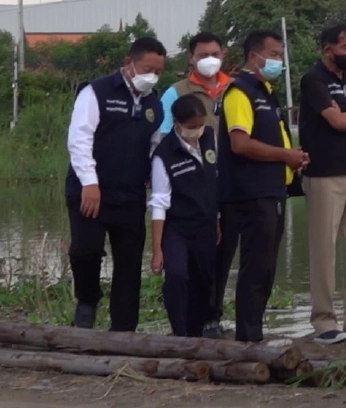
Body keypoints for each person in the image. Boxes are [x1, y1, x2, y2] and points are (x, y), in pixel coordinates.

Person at [65, 36, 167, 331]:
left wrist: (153, 172)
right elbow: (79, 139)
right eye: (148, 69)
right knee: (86, 251)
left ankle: (124, 330)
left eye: (159, 71)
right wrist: (89, 182)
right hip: (91, 191)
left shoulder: (154, 103)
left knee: (129, 263)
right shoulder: (96, 92)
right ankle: (87, 301)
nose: (153, 76)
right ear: (129, 64)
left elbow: (153, 144)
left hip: (130, 196)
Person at [218, 30, 308, 343]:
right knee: (255, 267)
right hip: (251, 192)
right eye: (274, 55)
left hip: (273, 190)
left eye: (281, 55)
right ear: (254, 56)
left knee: (267, 267)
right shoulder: (240, 91)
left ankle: (253, 331)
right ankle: (247, 336)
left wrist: (292, 159)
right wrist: (285, 155)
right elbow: (240, 143)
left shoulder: (266, 91)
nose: (278, 61)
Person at [298, 23, 346, 344]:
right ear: (327, 50)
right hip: (322, 176)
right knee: (324, 251)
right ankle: (324, 322)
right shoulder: (313, 80)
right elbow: (337, 121)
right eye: (345, 48)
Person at [156, 31, 234, 338]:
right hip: (184, 196)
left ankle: (211, 318)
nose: (209, 60)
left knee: (215, 262)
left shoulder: (233, 89)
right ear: (191, 57)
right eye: (203, 55)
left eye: (214, 53)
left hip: (222, 193)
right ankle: (185, 329)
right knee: (181, 271)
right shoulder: (176, 92)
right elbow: (162, 138)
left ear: (223, 53)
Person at [150, 94, 220, 337]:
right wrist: (157, 248)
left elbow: (215, 180)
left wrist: (218, 220)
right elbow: (159, 202)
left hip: (207, 224)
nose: (197, 131)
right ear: (177, 123)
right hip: (177, 228)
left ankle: (197, 331)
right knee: (178, 276)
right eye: (191, 127)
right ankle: (179, 333)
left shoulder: (210, 139)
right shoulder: (164, 154)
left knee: (204, 279)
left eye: (200, 125)